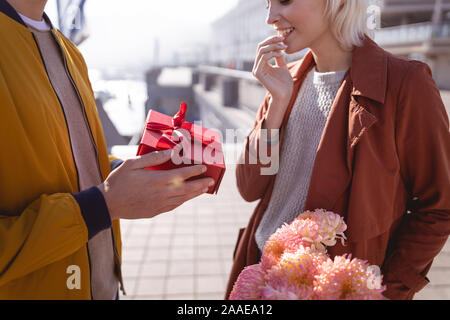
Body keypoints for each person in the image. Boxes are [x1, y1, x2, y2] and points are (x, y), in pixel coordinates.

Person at [226, 0, 450, 300]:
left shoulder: (405, 84)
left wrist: (386, 291)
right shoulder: (284, 81)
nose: (270, 18)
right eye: (267, 4)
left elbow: (438, 207)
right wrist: (277, 105)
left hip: (334, 289)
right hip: (259, 276)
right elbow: (250, 186)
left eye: (283, 1)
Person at [0, 0, 214, 300]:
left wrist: (131, 172)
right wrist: (104, 205)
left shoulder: (68, 51)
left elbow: (72, 157)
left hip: (103, 288)